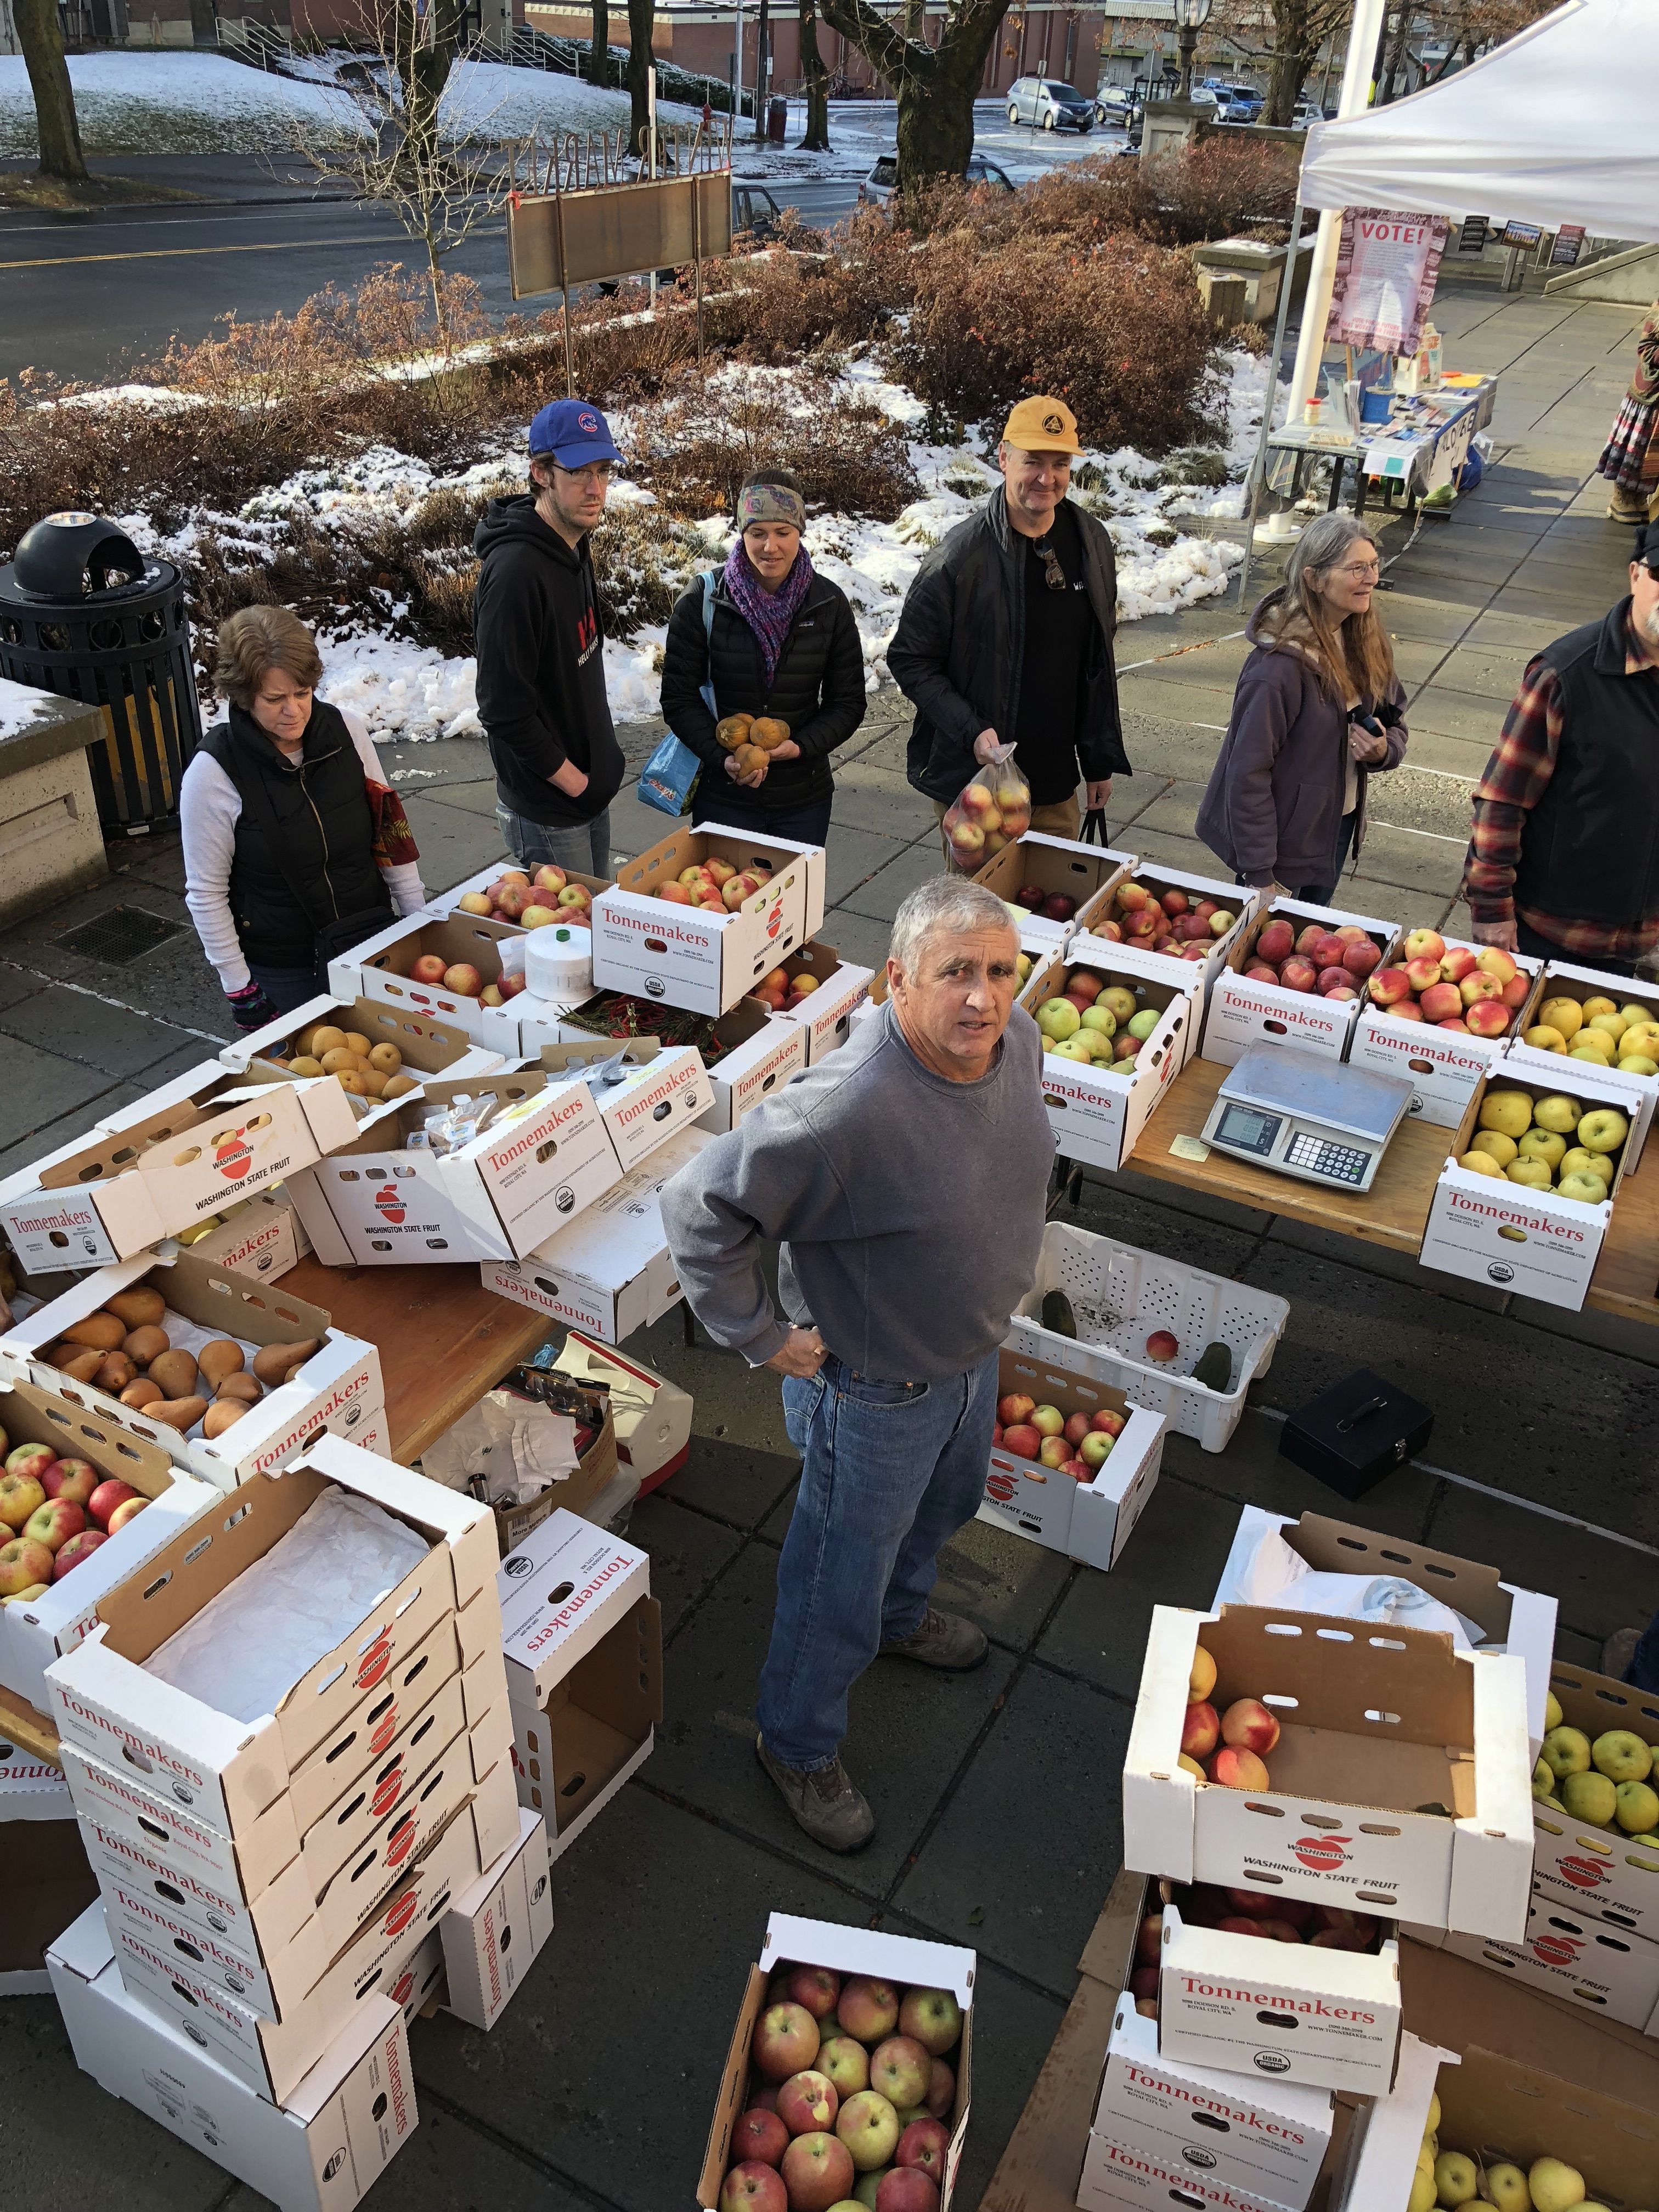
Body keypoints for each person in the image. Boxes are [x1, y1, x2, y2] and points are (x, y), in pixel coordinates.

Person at [660, 878, 1053, 1851]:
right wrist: (760, 1334)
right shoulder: (840, 1109)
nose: (981, 997)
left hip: (969, 1359)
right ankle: (794, 1742)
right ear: (897, 980)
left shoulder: (1019, 1044)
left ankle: (901, 1614)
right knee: (836, 1577)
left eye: (999, 971)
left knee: (944, 1511)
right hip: (877, 1391)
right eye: (954, 973)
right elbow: (694, 1206)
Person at [889, 396, 1130, 844]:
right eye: (1032, 461)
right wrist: (972, 730)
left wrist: (1097, 763)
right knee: (978, 914)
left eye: (1060, 464)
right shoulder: (959, 558)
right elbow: (910, 659)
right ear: (1003, 458)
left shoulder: (1091, 541)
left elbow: (1095, 661)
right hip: (981, 787)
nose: (1047, 477)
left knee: (1054, 909)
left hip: (1057, 786)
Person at [181, 607, 425, 1031]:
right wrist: (241, 989)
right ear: (242, 695)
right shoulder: (214, 772)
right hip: (285, 970)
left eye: (303, 693)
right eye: (274, 699)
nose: (293, 710)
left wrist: (417, 920)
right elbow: (206, 893)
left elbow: (390, 833)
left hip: (370, 941)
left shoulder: (346, 732)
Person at [1462, 521, 1659, 977]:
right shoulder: (1566, 676)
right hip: (1557, 936)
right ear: (1635, 574)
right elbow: (1502, 800)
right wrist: (1491, 908)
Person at [1195, 512, 1407, 905]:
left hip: (1334, 830)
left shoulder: (1366, 640)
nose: (1373, 579)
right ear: (1314, 578)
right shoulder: (1277, 669)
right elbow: (1247, 773)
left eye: (1374, 565)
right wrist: (1259, 873)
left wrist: (1383, 750)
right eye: (1357, 568)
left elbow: (1395, 717)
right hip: (1280, 850)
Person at [658, 470, 866, 848]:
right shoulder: (703, 600)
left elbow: (847, 703)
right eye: (758, 533)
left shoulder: (828, 605)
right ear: (742, 533)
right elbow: (678, 698)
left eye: (782, 532)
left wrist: (800, 746)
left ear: (800, 531)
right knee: (721, 904)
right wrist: (722, 758)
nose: (770, 547)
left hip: (803, 800)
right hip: (724, 797)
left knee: (795, 906)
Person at [473, 398, 627, 879]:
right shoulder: (516, 573)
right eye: (580, 472)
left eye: (604, 471)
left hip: (587, 794)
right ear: (541, 472)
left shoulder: (574, 543)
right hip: (549, 808)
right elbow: (502, 709)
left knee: (598, 931)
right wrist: (575, 783)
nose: (596, 488)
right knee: (574, 949)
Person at [1597, 301, 1659, 527]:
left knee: (1653, 457)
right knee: (1636, 450)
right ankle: (1621, 499)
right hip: (1649, 395)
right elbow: (1646, 349)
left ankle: (1641, 499)